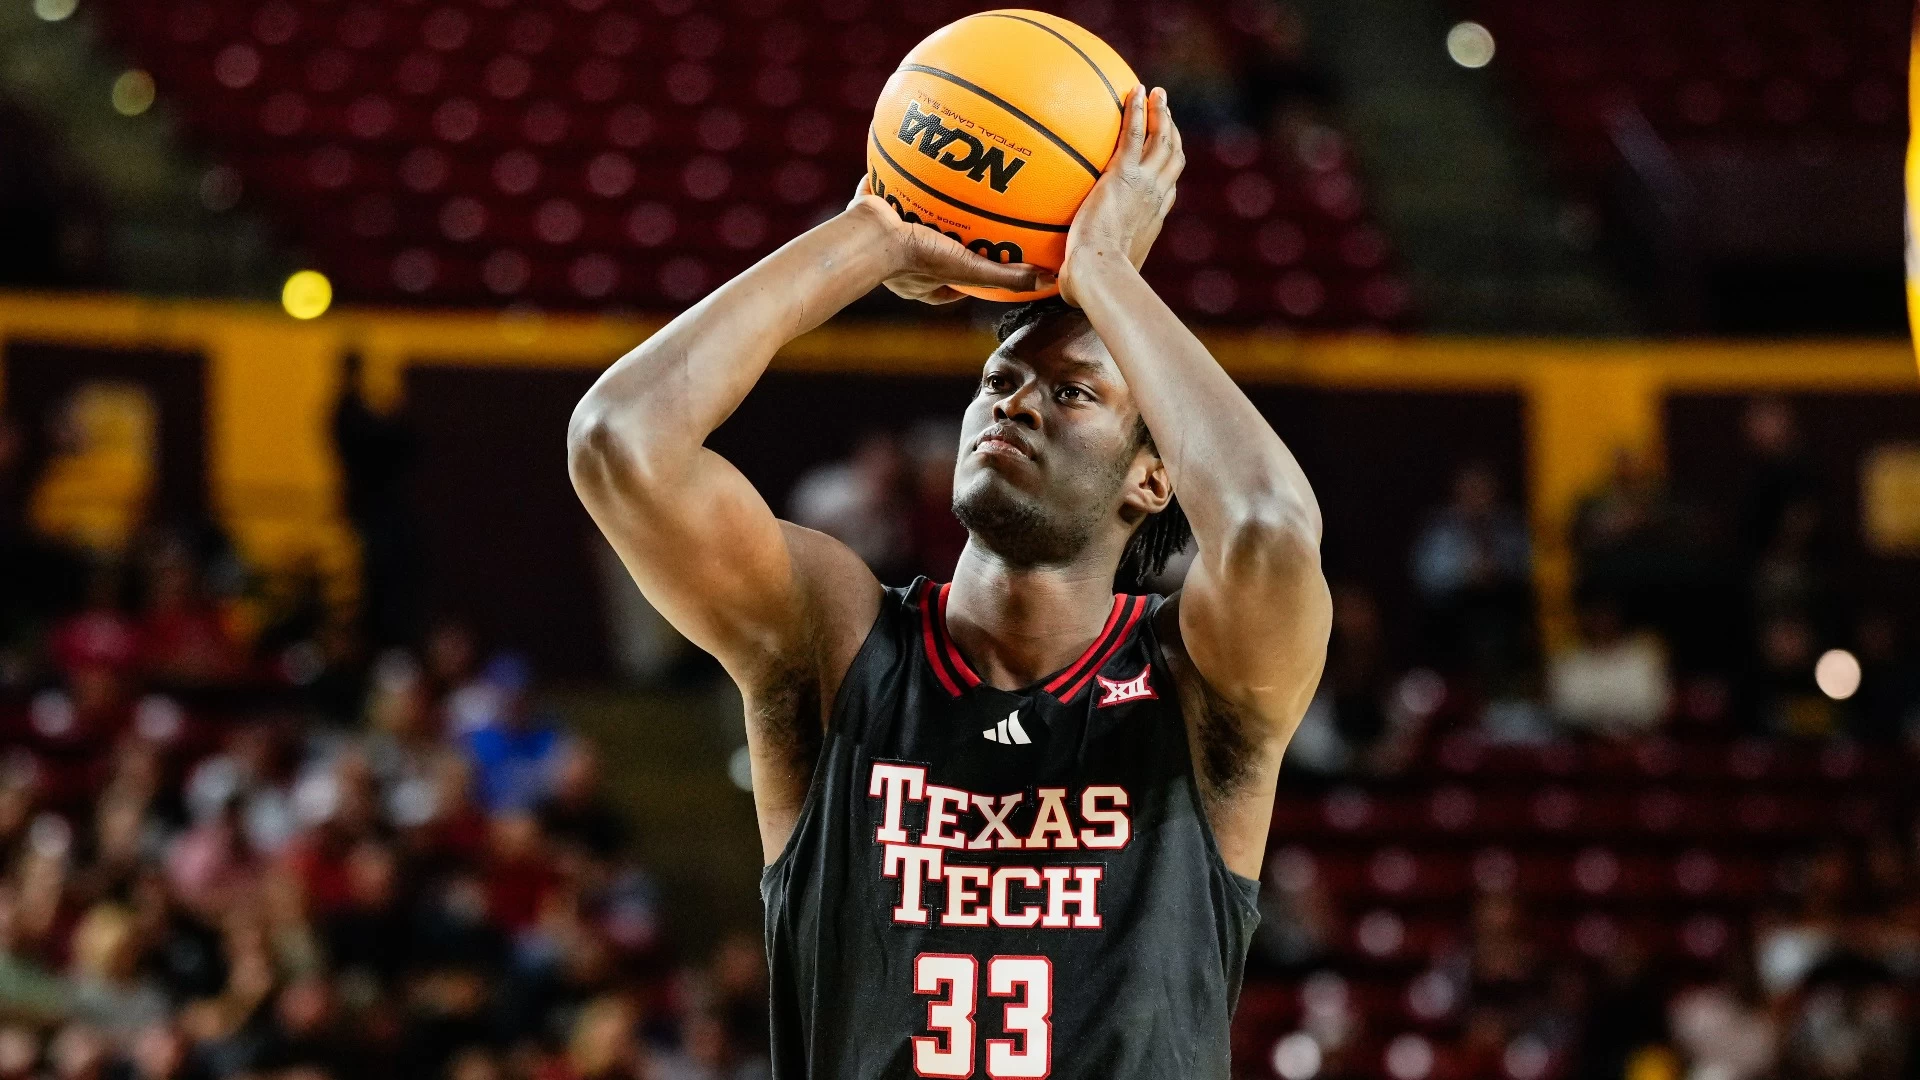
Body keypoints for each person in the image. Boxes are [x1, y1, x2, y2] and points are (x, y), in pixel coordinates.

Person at [568, 86, 1330, 1079]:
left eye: (1072, 390)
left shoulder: (1196, 678)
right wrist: (871, 236)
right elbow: (619, 441)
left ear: (1155, 476)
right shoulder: (839, 640)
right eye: (1003, 377)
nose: (1017, 397)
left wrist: (1105, 275)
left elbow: (1270, 526)